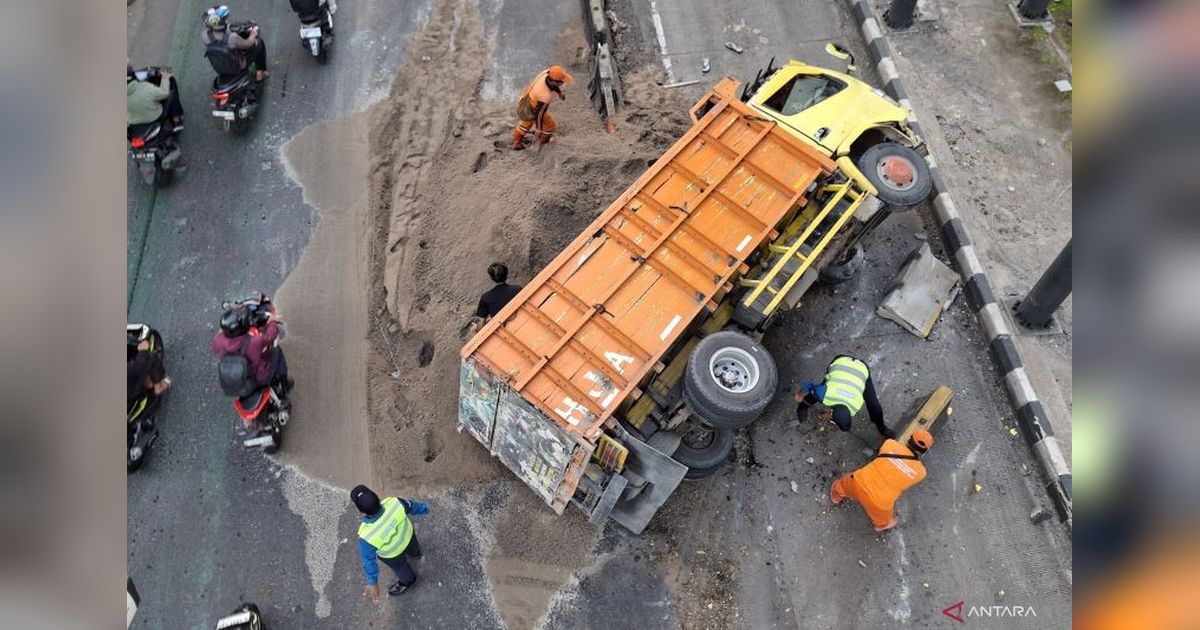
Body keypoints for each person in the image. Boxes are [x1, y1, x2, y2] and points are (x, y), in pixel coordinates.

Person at [830, 428, 934, 532]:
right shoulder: (921, 473)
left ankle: (837, 496)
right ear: (924, 452)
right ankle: (881, 526)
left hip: (858, 482)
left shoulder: (890, 444)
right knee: (885, 521)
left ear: (909, 439)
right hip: (880, 503)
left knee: (841, 486)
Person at [352, 485, 429, 600]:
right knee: (413, 548)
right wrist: (425, 509)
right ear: (377, 497)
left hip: (392, 555)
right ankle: (415, 553)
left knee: (401, 568)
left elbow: (369, 562)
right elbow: (412, 506)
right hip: (407, 536)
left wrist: (373, 583)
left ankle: (408, 581)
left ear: (360, 511)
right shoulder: (395, 503)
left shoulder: (366, 536)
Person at [794, 355, 895, 439]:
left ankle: (881, 427)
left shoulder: (856, 403)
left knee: (874, 406)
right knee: (815, 394)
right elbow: (809, 385)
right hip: (839, 364)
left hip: (860, 368)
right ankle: (802, 407)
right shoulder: (824, 393)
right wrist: (800, 394)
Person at [211, 304, 289, 391]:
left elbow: (218, 339)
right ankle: (285, 383)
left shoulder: (218, 341)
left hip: (237, 378)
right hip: (258, 378)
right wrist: (272, 322)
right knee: (276, 352)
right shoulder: (254, 342)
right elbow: (271, 335)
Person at [512, 65, 573, 150]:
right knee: (550, 126)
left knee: (526, 122)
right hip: (534, 107)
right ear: (555, 82)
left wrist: (559, 93)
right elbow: (540, 114)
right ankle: (543, 143)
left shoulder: (546, 73)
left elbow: (552, 85)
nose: (563, 83)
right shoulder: (545, 96)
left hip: (528, 98)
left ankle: (516, 142)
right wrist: (539, 128)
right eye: (561, 82)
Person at [202, 5, 268, 82]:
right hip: (237, 66)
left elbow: (221, 34)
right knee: (259, 43)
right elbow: (248, 44)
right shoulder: (232, 38)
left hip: (220, 67)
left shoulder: (205, 35)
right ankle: (260, 74)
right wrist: (253, 32)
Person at [127, 340, 170, 408]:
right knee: (150, 357)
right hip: (131, 391)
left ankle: (147, 381)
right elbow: (139, 367)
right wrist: (143, 351)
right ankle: (158, 388)